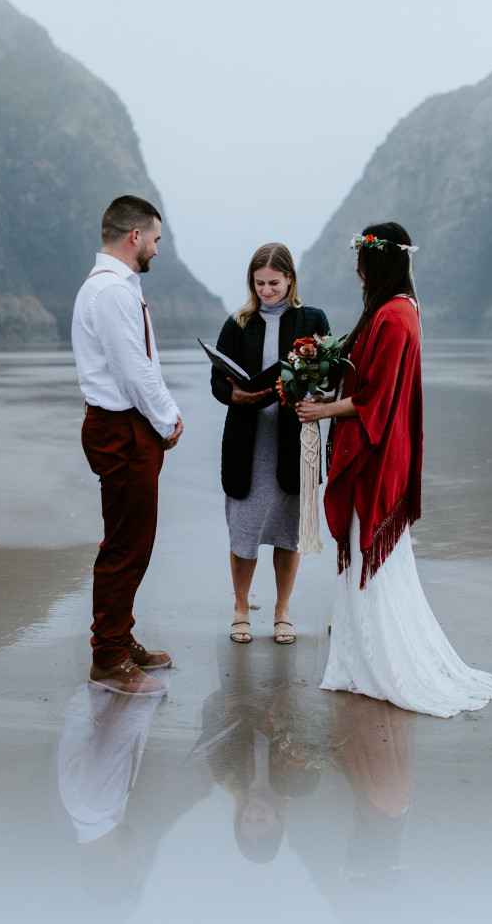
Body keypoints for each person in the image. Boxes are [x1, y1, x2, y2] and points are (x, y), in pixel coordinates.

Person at [294, 223, 492, 717]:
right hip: (382, 448)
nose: (357, 272)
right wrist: (331, 394)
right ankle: (360, 663)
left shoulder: (392, 318)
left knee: (372, 556)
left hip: (378, 454)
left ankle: (380, 668)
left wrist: (324, 411)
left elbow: (376, 401)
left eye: (362, 263)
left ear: (379, 263)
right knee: (375, 561)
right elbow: (367, 386)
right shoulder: (396, 311)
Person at [72, 195, 184, 698]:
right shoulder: (112, 293)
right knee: (125, 546)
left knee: (131, 542)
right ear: (134, 236)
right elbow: (133, 368)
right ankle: (109, 657)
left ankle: (118, 637)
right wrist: (168, 419)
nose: (158, 249)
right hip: (123, 427)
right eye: (156, 239)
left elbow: (136, 365)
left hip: (123, 424)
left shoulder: (111, 288)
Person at [210, 243, 329, 645]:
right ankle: (241, 609)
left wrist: (316, 395)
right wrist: (234, 397)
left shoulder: (313, 319)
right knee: (243, 527)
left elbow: (330, 378)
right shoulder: (237, 322)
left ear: (290, 279)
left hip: (293, 437)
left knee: (285, 530)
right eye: (259, 283)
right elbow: (217, 382)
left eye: (274, 283)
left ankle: (282, 612)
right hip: (247, 437)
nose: (266, 290)